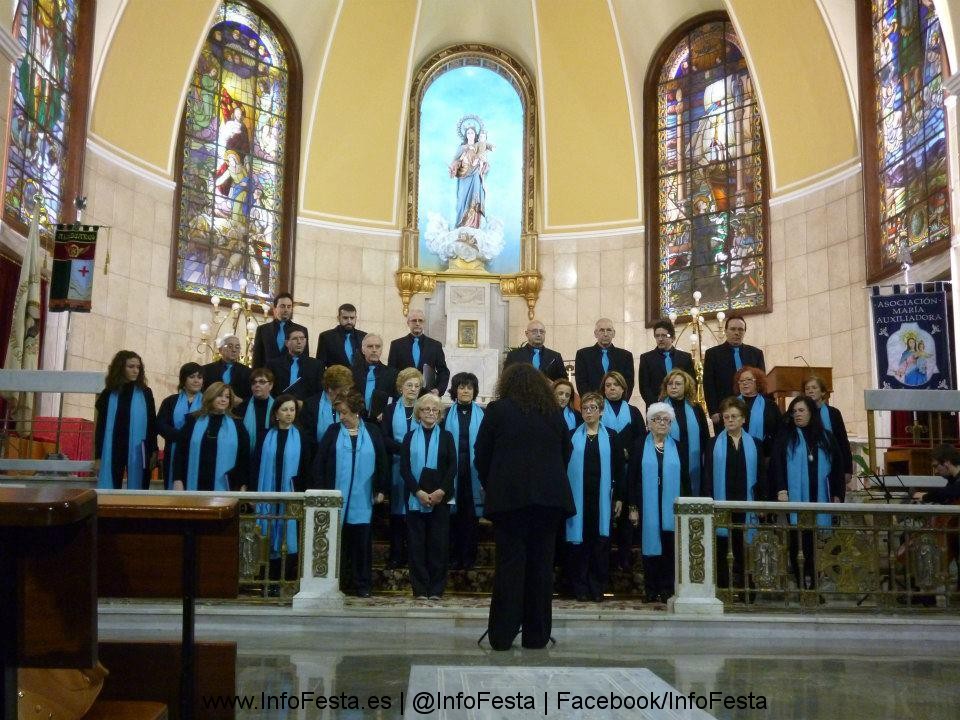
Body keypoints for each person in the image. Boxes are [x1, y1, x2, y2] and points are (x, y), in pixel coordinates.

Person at [474, 363, 575, 650]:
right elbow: (566, 451)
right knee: (541, 567)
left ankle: (502, 636)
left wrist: (492, 481)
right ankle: (536, 635)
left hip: (509, 501)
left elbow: (481, 454)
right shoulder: (553, 413)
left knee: (509, 566)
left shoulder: (497, 411)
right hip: (548, 501)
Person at [312, 389, 388, 597]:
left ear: (356, 412)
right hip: (335, 497)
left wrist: (381, 489)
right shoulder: (332, 431)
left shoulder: (372, 430)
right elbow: (320, 463)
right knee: (337, 543)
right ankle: (339, 584)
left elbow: (382, 461)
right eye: (339, 412)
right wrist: (321, 492)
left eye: (344, 412)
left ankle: (362, 585)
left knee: (361, 544)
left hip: (363, 499)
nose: (341, 417)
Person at [769, 396, 844, 590]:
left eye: (801, 411)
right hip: (794, 499)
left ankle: (813, 583)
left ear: (811, 412)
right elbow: (777, 465)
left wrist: (837, 494)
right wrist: (781, 489)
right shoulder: (786, 437)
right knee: (797, 541)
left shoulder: (826, 436)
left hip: (820, 498)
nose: (797, 415)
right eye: (794, 411)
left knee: (814, 542)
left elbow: (837, 467)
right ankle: (802, 582)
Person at [565, 392, 625, 602]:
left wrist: (619, 498)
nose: (588, 412)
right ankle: (579, 587)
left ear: (601, 411)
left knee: (600, 544)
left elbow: (619, 469)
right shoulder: (571, 435)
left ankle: (597, 587)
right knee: (578, 545)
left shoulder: (611, 436)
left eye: (593, 408)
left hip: (603, 498)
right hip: (578, 497)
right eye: (585, 408)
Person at [629, 402, 689, 604]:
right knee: (650, 547)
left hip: (672, 507)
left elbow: (686, 480)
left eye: (666, 420)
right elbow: (632, 478)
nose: (662, 423)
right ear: (649, 423)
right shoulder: (639, 444)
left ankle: (666, 589)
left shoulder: (678, 447)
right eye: (657, 419)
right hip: (647, 505)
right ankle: (650, 589)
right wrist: (633, 508)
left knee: (669, 548)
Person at [251, 395, 314, 584]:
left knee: (288, 534)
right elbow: (254, 464)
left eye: (292, 410)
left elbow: (306, 466)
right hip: (267, 492)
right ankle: (265, 579)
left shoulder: (302, 435)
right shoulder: (264, 435)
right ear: (276, 413)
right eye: (285, 410)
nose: (289, 414)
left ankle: (284, 579)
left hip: (291, 493)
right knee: (267, 531)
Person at [703, 397, 764, 588]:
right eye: (726, 416)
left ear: (743, 419)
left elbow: (762, 475)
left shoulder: (756, 444)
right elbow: (708, 475)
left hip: (748, 505)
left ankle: (748, 589)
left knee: (745, 549)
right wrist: (709, 501)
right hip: (722, 504)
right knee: (722, 549)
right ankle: (723, 589)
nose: (730, 420)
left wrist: (762, 502)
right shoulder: (713, 444)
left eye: (734, 416)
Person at [401, 393, 456, 600]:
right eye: (426, 409)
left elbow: (452, 467)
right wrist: (418, 492)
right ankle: (420, 589)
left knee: (438, 545)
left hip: (440, 499)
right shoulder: (409, 437)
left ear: (440, 414)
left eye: (435, 410)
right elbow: (404, 469)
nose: (431, 413)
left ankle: (436, 589)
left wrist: (441, 490)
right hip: (417, 498)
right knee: (416, 546)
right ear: (419, 413)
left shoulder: (447, 437)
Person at [94, 350, 158, 490]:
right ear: (120, 367)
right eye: (131, 367)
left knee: (139, 486)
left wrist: (154, 450)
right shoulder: (108, 393)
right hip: (114, 446)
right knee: (111, 485)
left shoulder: (146, 393)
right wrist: (98, 456)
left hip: (139, 449)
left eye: (138, 367)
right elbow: (101, 426)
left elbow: (152, 424)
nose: (136, 370)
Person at [381, 368, 423, 569]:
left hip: (419, 467)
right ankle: (396, 554)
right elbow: (385, 438)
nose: (413, 389)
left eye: (417, 386)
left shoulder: (425, 408)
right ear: (400, 387)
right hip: (397, 466)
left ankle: (414, 555)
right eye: (409, 385)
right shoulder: (390, 410)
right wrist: (405, 448)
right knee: (397, 513)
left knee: (415, 514)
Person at [173, 382, 250, 491]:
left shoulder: (238, 425)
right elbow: (180, 452)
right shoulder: (193, 420)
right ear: (210, 396)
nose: (223, 400)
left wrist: (243, 484)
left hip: (226, 486)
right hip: (194, 483)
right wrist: (178, 480)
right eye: (219, 395)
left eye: (227, 397)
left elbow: (244, 458)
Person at [444, 372, 485, 571]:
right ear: (455, 391)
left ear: (474, 391)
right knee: (452, 518)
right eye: (461, 387)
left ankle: (469, 558)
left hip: (473, 473)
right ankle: (453, 557)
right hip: (452, 473)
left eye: (469, 387)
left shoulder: (483, 416)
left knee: (471, 518)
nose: (465, 390)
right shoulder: (444, 414)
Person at [702, 314, 765, 422]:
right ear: (725, 331)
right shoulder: (713, 354)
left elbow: (762, 382)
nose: (737, 333)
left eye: (741, 329)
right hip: (724, 410)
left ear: (745, 332)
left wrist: (764, 405)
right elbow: (709, 384)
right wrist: (713, 411)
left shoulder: (756, 353)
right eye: (733, 329)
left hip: (753, 408)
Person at [659, 369, 709, 495]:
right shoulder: (659, 408)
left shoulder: (696, 408)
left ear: (686, 386)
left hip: (693, 458)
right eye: (670, 384)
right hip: (668, 458)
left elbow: (705, 436)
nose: (673, 387)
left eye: (678, 384)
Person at [156, 362, 204, 489]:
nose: (196, 381)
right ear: (183, 379)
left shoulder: (207, 403)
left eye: (199, 377)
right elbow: (161, 425)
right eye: (192, 377)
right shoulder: (170, 401)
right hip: (173, 449)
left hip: (200, 451)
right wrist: (181, 436)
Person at [387, 309, 450, 396]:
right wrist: (396, 391)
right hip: (403, 395)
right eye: (414, 320)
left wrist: (438, 390)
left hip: (427, 395)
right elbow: (391, 371)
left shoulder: (435, 345)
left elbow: (443, 371)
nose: (417, 323)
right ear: (408, 323)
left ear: (424, 323)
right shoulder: (397, 345)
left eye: (420, 320)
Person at [804, 376, 853, 483]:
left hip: (831, 464)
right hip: (807, 465)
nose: (810, 391)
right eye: (807, 389)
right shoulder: (801, 414)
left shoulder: (833, 413)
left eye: (814, 388)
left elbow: (842, 441)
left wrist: (847, 469)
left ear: (822, 392)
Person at [638, 320, 695, 408]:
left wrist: (685, 401)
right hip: (656, 407)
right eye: (657, 336)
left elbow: (692, 382)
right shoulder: (646, 358)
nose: (660, 339)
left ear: (673, 338)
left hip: (682, 405)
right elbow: (644, 387)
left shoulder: (685, 357)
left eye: (664, 335)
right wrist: (655, 405)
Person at [575, 318, 636, 400]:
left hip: (618, 404)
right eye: (601, 330)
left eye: (609, 330)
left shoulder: (625, 356)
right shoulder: (583, 355)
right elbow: (581, 383)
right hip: (593, 405)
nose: (605, 334)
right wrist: (591, 402)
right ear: (595, 333)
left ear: (614, 333)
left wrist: (621, 402)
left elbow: (628, 383)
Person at [252, 292, 310, 369]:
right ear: (275, 308)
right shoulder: (263, 329)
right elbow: (257, 358)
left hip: (290, 376)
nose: (286, 310)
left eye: (289, 307)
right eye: (282, 306)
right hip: (268, 376)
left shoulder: (301, 330)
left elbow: (304, 358)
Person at [299, 365, 354, 445]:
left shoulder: (352, 402)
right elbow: (307, 438)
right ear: (330, 389)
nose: (346, 392)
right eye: (343, 389)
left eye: (347, 388)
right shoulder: (310, 405)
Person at [735, 365, 781, 460]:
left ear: (758, 382)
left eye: (749, 380)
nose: (745, 383)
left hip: (765, 454)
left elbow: (778, 431)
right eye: (742, 381)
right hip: (737, 455)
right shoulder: (732, 404)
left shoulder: (770, 405)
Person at [352, 334, 398, 421]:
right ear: (363, 350)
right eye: (370, 346)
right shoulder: (352, 373)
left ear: (381, 350)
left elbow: (396, 399)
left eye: (378, 347)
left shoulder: (392, 373)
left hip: (381, 422)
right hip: (356, 421)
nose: (374, 350)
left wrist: (387, 413)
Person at [267, 328, 320, 400]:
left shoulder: (316, 365)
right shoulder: (273, 364)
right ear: (286, 343)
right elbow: (269, 388)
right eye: (295, 339)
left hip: (306, 407)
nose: (299, 342)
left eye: (302, 338)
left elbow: (318, 391)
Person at [236, 368, 276, 453]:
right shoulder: (243, 406)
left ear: (271, 385)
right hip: (246, 454)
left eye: (262, 382)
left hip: (269, 453)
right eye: (254, 382)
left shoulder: (277, 407)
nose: (257, 385)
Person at [316, 303, 366, 369]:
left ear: (356, 318)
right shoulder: (326, 337)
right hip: (335, 378)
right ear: (338, 318)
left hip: (359, 378)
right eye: (345, 318)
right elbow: (320, 365)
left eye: (352, 318)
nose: (349, 321)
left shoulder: (364, 337)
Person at [202, 335, 251, 401]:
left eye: (237, 347)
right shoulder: (206, 369)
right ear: (220, 350)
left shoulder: (247, 371)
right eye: (230, 346)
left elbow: (251, 395)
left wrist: (241, 401)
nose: (234, 350)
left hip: (238, 409)